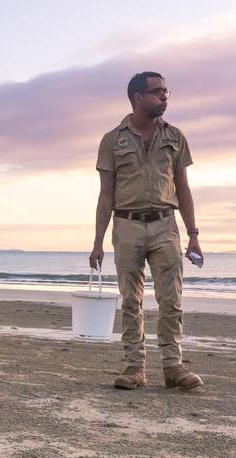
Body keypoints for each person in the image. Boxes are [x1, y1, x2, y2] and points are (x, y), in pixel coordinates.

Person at [90, 71, 203, 391]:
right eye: (157, 92)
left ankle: (173, 367)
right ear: (138, 97)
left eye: (167, 91)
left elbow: (183, 187)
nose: (164, 96)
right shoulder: (113, 139)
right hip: (126, 224)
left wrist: (193, 233)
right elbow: (105, 194)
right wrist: (98, 242)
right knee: (131, 300)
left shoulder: (175, 136)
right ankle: (134, 367)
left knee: (172, 299)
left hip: (166, 223)